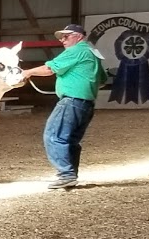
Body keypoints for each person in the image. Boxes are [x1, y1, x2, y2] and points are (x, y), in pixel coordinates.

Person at [21, 23, 104, 190]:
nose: (62, 40)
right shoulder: (91, 53)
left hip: (71, 101)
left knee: (53, 136)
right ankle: (71, 175)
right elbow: (102, 79)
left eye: (67, 36)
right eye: (61, 37)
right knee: (71, 140)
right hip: (86, 104)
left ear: (79, 36)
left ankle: (66, 175)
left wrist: (26, 72)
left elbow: (49, 69)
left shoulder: (76, 51)